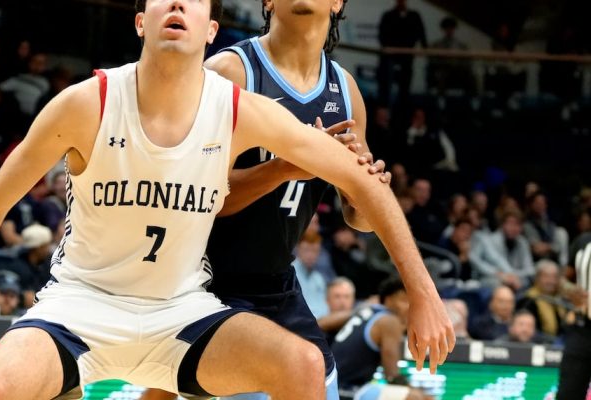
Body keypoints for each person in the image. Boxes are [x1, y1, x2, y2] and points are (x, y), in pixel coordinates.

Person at [0, 2, 453, 399]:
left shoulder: (239, 111)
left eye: (193, 1)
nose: (177, 4)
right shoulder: (86, 103)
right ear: (140, 20)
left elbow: (365, 183)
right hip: (81, 305)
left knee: (303, 365)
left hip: (183, 309)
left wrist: (423, 293)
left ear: (211, 29)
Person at [140, 1, 418, 398]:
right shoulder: (230, 72)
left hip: (275, 282)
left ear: (338, 2)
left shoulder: (345, 89)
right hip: (200, 277)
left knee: (322, 384)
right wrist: (284, 168)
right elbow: (193, 197)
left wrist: (365, 190)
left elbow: (360, 221)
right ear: (267, 1)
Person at [331, 278, 430, 400]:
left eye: (413, 303)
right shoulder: (389, 321)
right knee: (416, 398)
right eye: (404, 300)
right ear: (388, 300)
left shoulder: (368, 312)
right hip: (343, 390)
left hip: (336, 385)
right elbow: (392, 376)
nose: (409, 307)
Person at [557, 232, 591, 399]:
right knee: (568, 393)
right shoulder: (583, 241)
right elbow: (562, 281)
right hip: (583, 328)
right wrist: (572, 291)